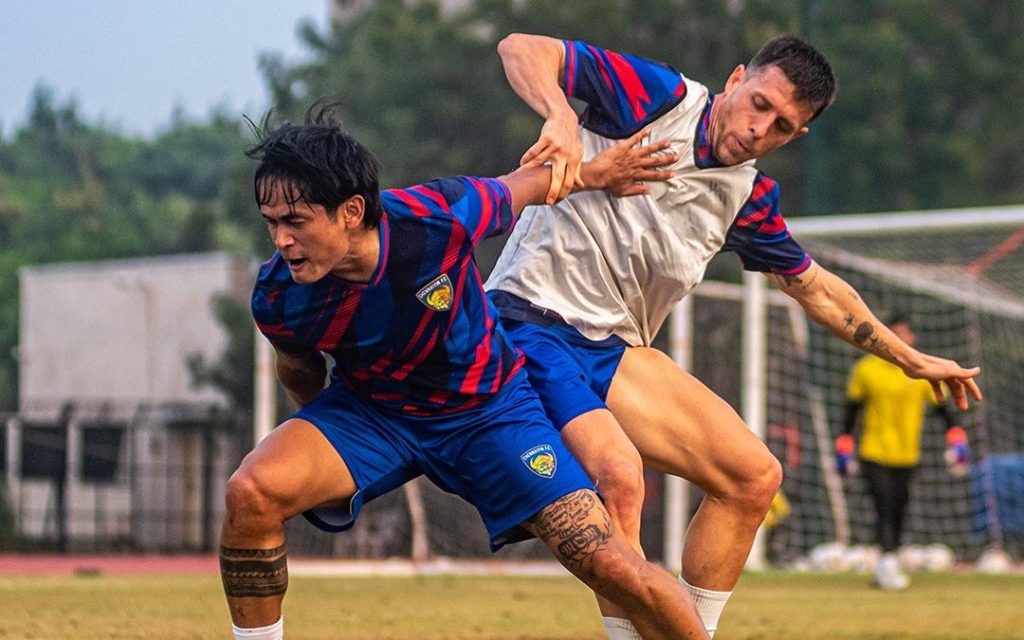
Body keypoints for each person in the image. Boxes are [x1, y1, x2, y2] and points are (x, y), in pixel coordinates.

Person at [483, 33, 983, 638]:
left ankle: (695, 631)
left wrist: (910, 359)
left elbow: (817, 289)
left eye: (781, 125)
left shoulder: (747, 198)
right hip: (525, 317)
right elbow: (521, 47)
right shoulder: (656, 98)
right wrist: (560, 115)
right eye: (760, 103)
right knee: (619, 477)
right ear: (737, 77)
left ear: (797, 137)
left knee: (753, 478)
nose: (758, 128)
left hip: (613, 350)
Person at [219, 104, 712, 640]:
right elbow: (298, 368)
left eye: (296, 222)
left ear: (352, 210)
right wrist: (316, 437)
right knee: (251, 492)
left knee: (610, 565)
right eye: (271, 224)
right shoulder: (280, 295)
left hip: (490, 412)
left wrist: (598, 173)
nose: (281, 242)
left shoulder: (439, 216)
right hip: (372, 414)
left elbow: (527, 184)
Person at [838, 314, 964, 590]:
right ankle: (887, 561)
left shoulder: (919, 371)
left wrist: (958, 445)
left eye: (903, 333)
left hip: (907, 455)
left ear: (912, 338)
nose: (898, 339)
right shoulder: (866, 369)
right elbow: (850, 413)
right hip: (873, 451)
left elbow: (945, 413)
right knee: (883, 505)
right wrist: (843, 451)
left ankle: (889, 558)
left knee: (899, 507)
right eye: (892, 333)